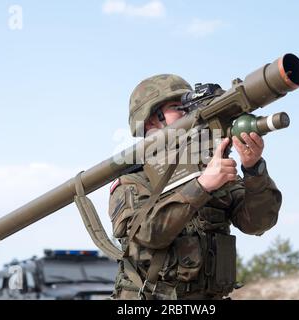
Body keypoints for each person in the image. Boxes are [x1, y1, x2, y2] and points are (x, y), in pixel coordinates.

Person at [109, 74, 282, 300]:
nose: (188, 113)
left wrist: (253, 168)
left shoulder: (209, 168)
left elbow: (258, 223)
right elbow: (148, 234)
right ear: (151, 121)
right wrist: (202, 187)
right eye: (178, 107)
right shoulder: (134, 180)